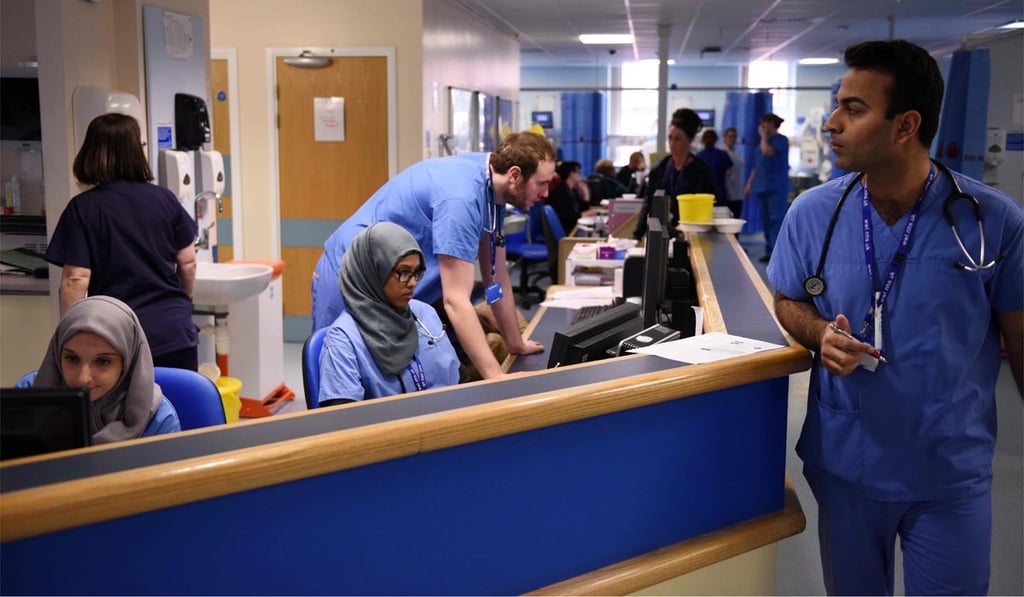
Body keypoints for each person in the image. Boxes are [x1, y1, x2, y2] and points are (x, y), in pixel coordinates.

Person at [767, 39, 1023, 596]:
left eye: (853, 109)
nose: (832, 123)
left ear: (906, 125)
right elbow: (788, 299)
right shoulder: (813, 213)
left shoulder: (992, 221)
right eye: (838, 105)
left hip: (947, 471)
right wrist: (818, 335)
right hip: (847, 464)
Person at [311, 132, 553, 380]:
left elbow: (497, 277)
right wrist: (495, 376)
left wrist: (516, 344)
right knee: (340, 374)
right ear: (514, 175)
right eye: (541, 183)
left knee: (386, 376)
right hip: (349, 274)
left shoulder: (494, 187)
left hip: (392, 283)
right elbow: (455, 300)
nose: (545, 193)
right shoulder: (462, 198)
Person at [45, 113, 199, 370]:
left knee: (123, 410)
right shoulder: (165, 199)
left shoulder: (83, 208)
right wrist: (179, 301)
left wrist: (70, 335)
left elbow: (75, 279)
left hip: (115, 335)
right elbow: (188, 262)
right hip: (173, 332)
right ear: (136, 152)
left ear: (91, 152)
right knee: (176, 404)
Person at [318, 223, 460, 406]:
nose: (412, 283)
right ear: (373, 271)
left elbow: (459, 381)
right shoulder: (344, 340)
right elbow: (342, 423)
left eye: (416, 272)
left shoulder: (425, 313)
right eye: (403, 272)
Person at [29, 296, 182, 443]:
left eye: (103, 361)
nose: (83, 378)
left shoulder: (159, 420)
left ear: (128, 363)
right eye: (72, 359)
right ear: (56, 353)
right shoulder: (28, 395)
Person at [634, 108, 716, 240]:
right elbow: (648, 204)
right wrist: (637, 236)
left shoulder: (701, 171)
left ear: (689, 141)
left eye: (678, 139)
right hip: (662, 236)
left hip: (693, 236)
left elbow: (710, 207)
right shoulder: (660, 169)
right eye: (670, 138)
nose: (672, 143)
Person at [744, 112, 790, 262]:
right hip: (761, 186)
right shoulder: (762, 144)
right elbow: (756, 167)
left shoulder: (781, 141)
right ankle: (769, 251)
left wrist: (763, 136)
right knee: (766, 221)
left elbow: (767, 152)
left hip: (776, 187)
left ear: (773, 124)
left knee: (776, 220)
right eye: (762, 123)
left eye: (766, 123)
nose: (763, 126)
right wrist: (749, 184)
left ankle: (777, 254)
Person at [547, 160, 597, 234]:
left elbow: (583, 209)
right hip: (567, 230)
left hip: (574, 226)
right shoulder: (560, 192)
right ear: (571, 174)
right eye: (578, 172)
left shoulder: (572, 190)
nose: (580, 174)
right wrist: (583, 214)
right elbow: (564, 217)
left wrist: (585, 192)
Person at [695, 129, 734, 211]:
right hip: (719, 194)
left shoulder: (698, 157)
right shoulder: (722, 155)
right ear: (716, 140)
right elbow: (728, 173)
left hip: (702, 196)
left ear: (703, 140)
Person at [720, 127, 745, 219]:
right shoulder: (721, 153)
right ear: (725, 137)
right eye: (730, 136)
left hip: (738, 192)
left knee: (737, 219)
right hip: (727, 193)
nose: (732, 139)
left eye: (734, 137)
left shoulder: (737, 153)